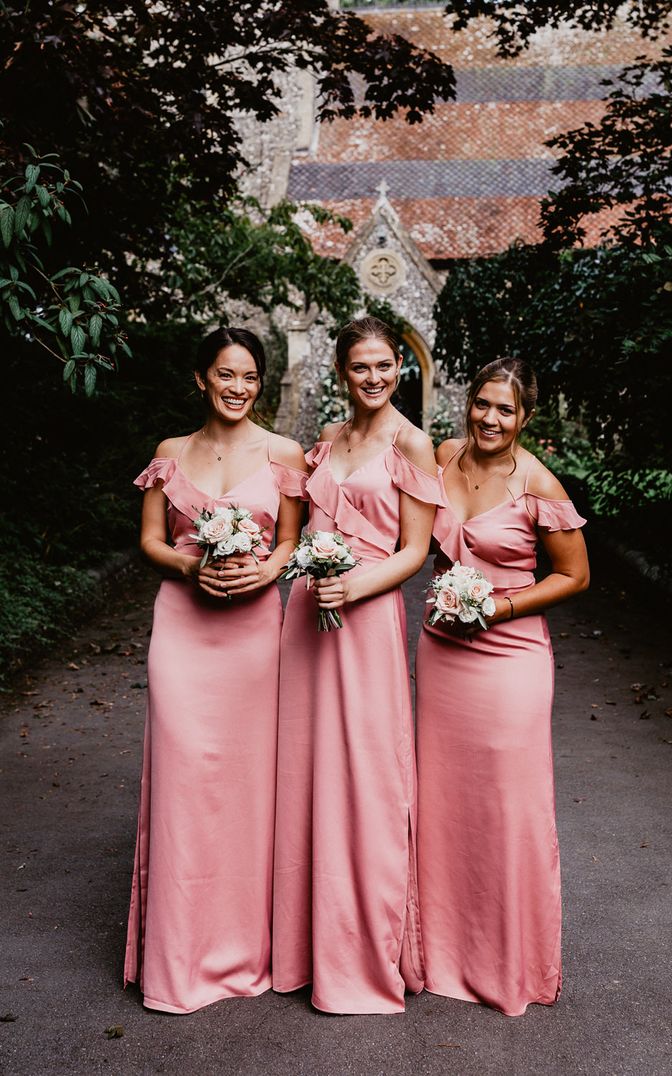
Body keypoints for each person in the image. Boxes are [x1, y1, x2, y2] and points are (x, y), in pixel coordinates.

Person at [123, 326, 307, 1013]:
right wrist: (189, 564)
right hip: (182, 629)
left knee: (246, 788)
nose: (238, 388)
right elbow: (148, 538)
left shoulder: (284, 452)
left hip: (256, 634)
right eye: (226, 375)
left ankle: (242, 949)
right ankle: (178, 958)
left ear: (261, 384)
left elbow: (291, 537)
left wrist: (267, 569)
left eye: (250, 377)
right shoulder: (171, 454)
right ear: (201, 378)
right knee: (183, 782)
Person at [272, 316, 442, 1014]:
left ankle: (362, 953)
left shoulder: (414, 443)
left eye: (384, 365)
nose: (373, 378)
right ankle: (301, 948)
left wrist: (355, 585)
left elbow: (417, 550)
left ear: (400, 365)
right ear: (342, 373)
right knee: (306, 775)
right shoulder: (328, 443)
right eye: (359, 367)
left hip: (365, 619)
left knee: (367, 780)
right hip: (305, 623)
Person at [415, 357, 589, 1017]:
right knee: (444, 805)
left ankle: (508, 962)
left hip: (510, 656)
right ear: (469, 405)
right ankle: (442, 954)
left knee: (508, 811)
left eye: (506, 410)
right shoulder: (444, 455)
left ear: (526, 418)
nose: (491, 419)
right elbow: (426, 543)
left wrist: (498, 608)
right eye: (483, 405)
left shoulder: (539, 483)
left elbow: (573, 577)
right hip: (441, 653)